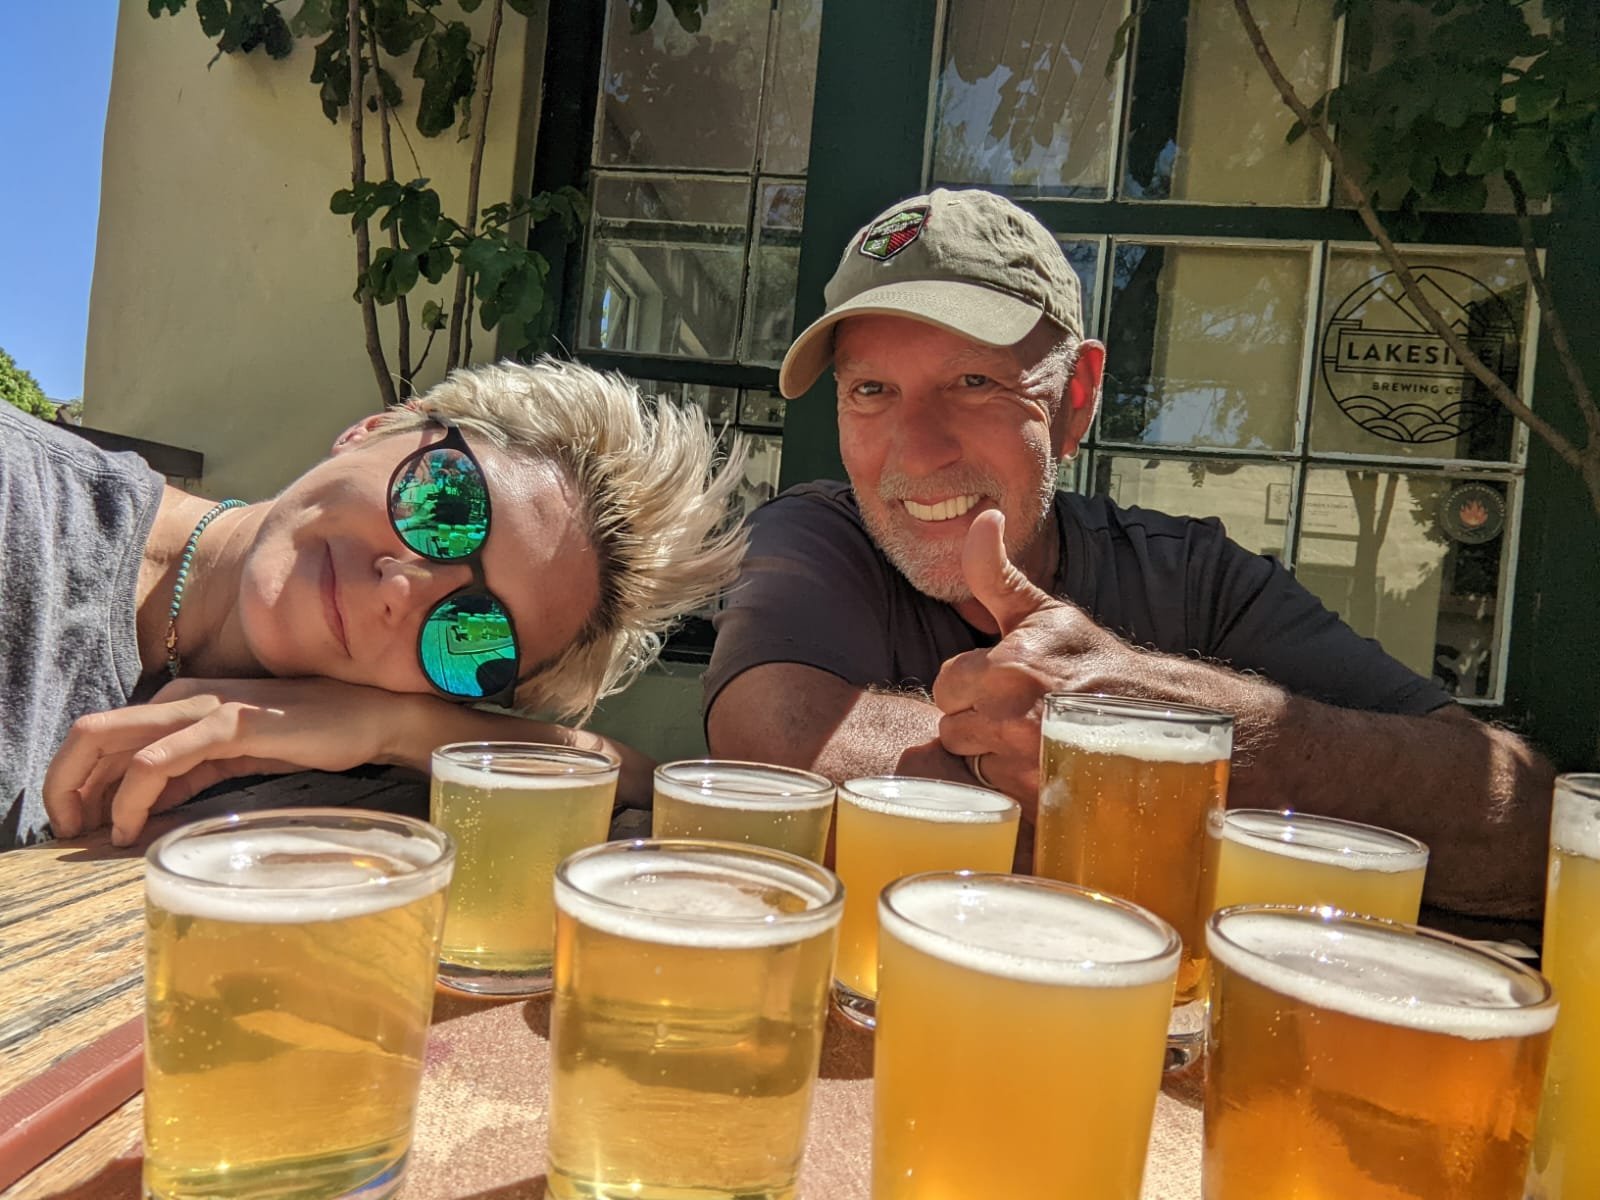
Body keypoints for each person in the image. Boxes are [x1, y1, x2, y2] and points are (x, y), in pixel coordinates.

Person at [703, 188, 1553, 919]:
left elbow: (1522, 821)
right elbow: (777, 750)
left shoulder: (1193, 574)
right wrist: (1145, 795)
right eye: (870, 390)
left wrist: (1196, 739)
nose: (916, 452)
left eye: (974, 382)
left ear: (1075, 399)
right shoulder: (817, 534)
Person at [7, 357, 747, 850]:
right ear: (375, 428)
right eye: (446, 505)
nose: (403, 589)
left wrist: (398, 729)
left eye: (473, 635)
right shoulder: (23, 501)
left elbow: (658, 787)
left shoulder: (355, 740)